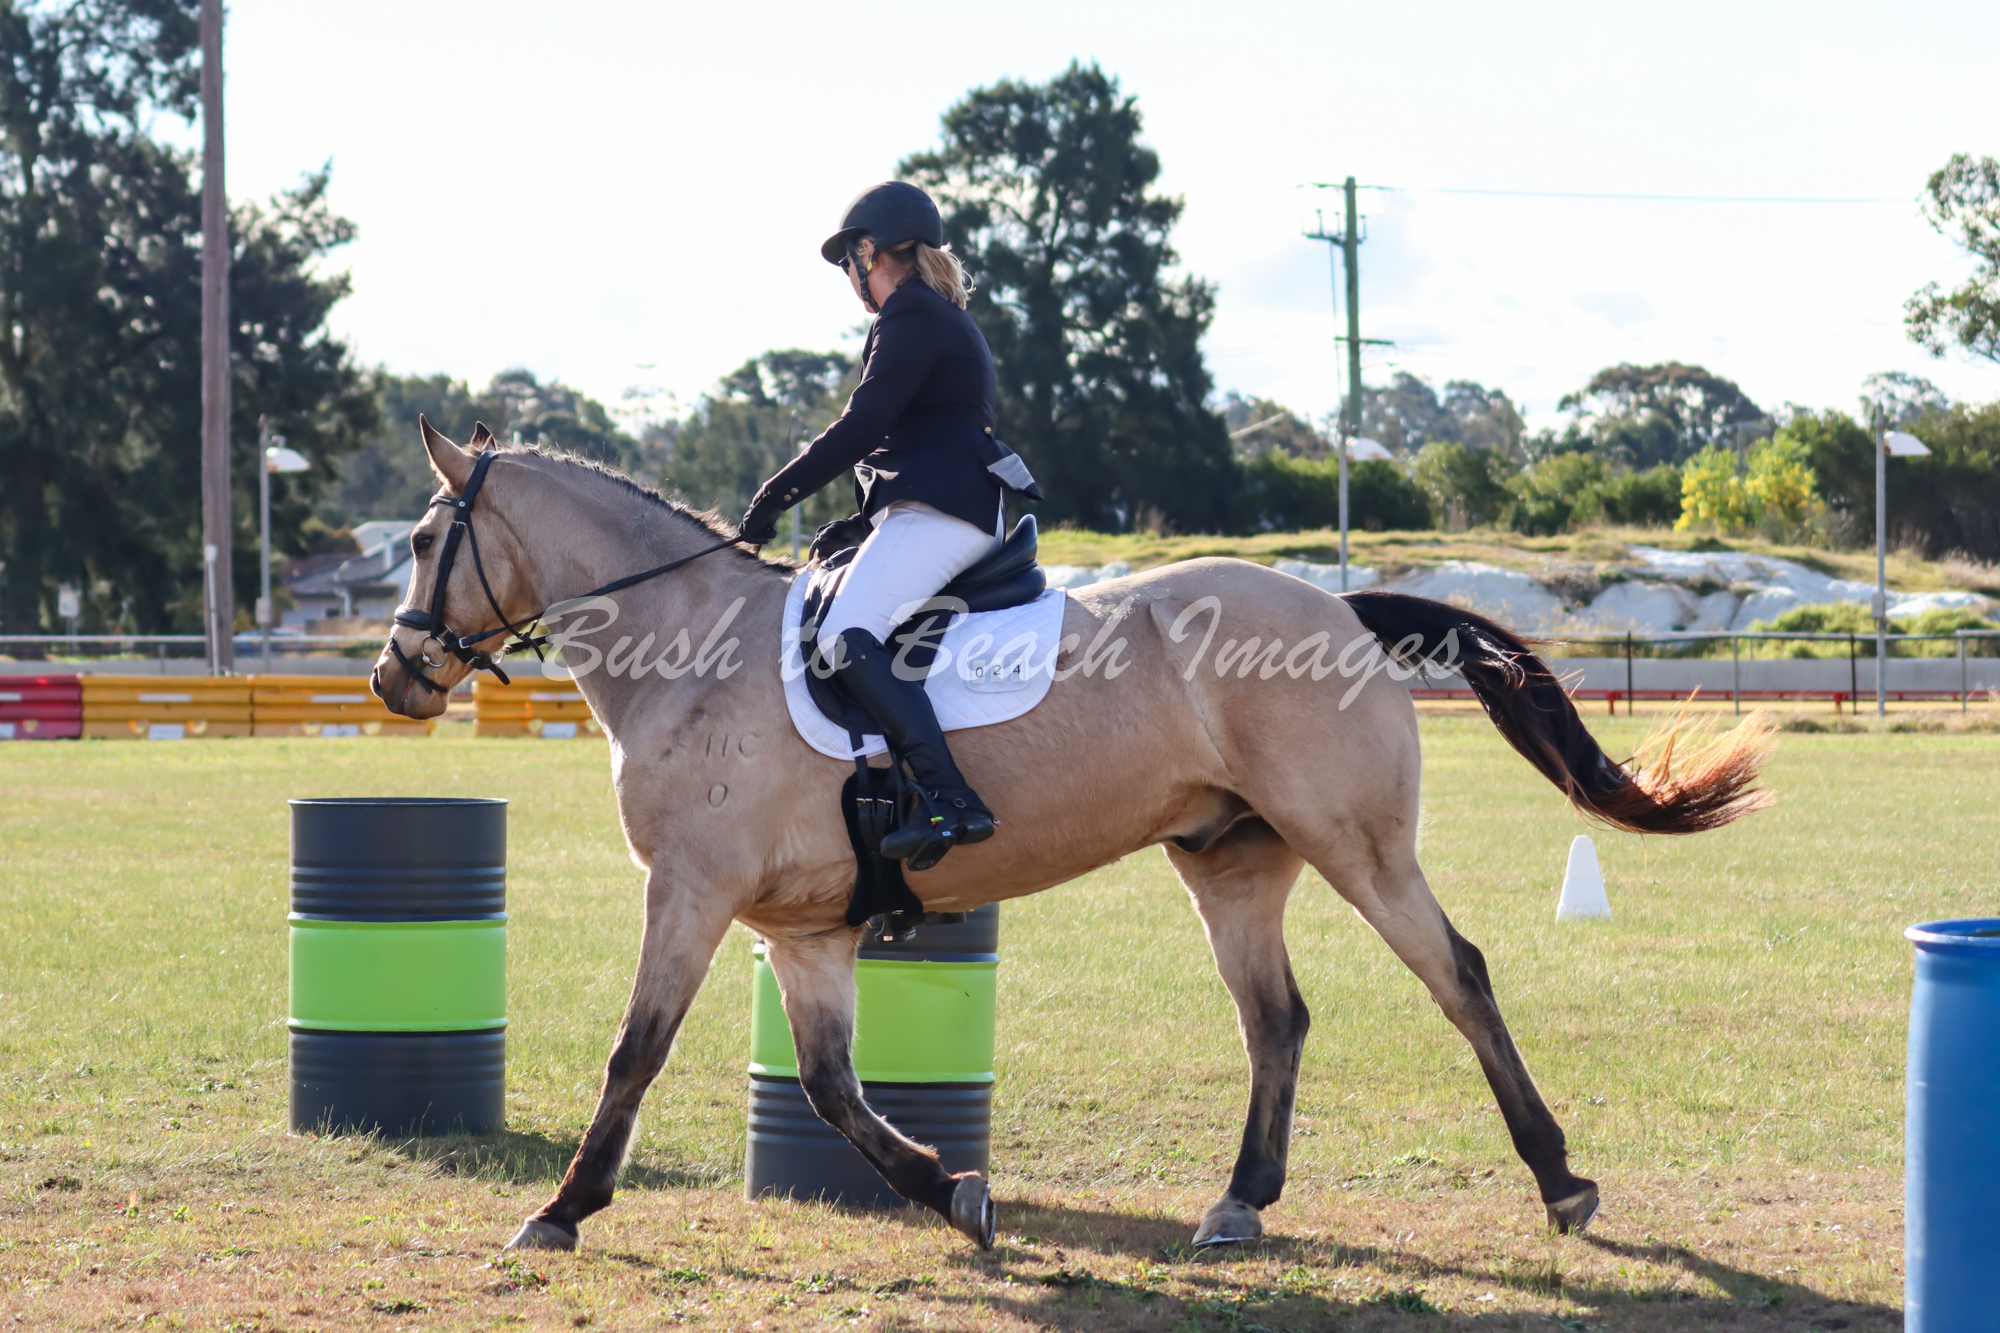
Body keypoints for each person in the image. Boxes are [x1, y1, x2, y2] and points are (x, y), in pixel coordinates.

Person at [738, 181, 1041, 865]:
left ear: (868, 253)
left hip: (944, 513)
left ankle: (949, 798)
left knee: (845, 635)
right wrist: (859, 522)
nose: (851, 279)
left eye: (850, 263)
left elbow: (863, 426)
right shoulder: (932, 315)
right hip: (946, 505)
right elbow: (919, 438)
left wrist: (775, 496)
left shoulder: (909, 314)